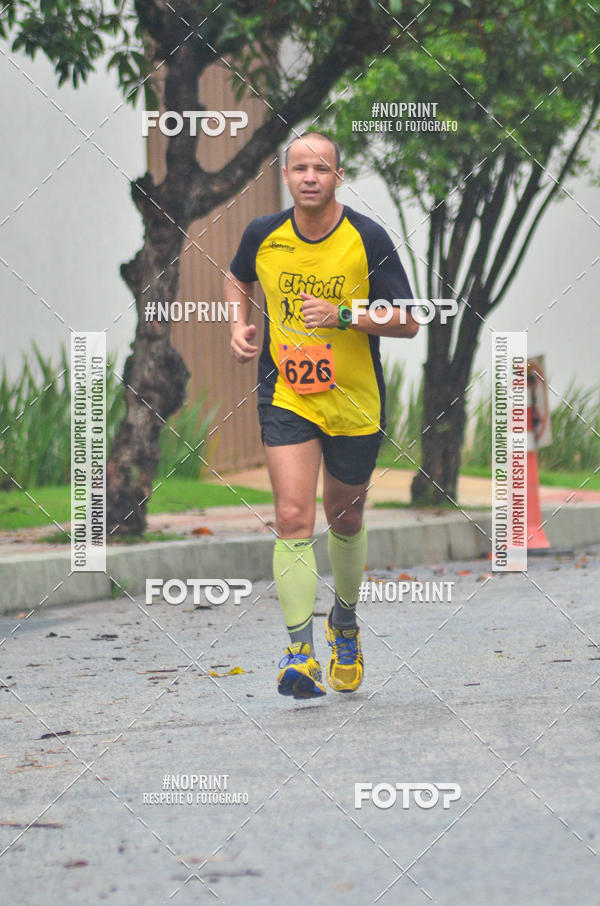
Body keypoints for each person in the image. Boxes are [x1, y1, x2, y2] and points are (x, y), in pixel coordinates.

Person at [224, 131, 418, 699]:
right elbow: (236, 276)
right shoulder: (264, 234)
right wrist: (239, 324)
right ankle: (298, 652)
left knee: (345, 517)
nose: (310, 177)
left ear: (338, 176)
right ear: (286, 176)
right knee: (291, 516)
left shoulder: (367, 237)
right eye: (300, 167)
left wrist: (344, 314)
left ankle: (346, 622)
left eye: (322, 168)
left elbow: (407, 319)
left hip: (355, 399)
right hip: (287, 393)